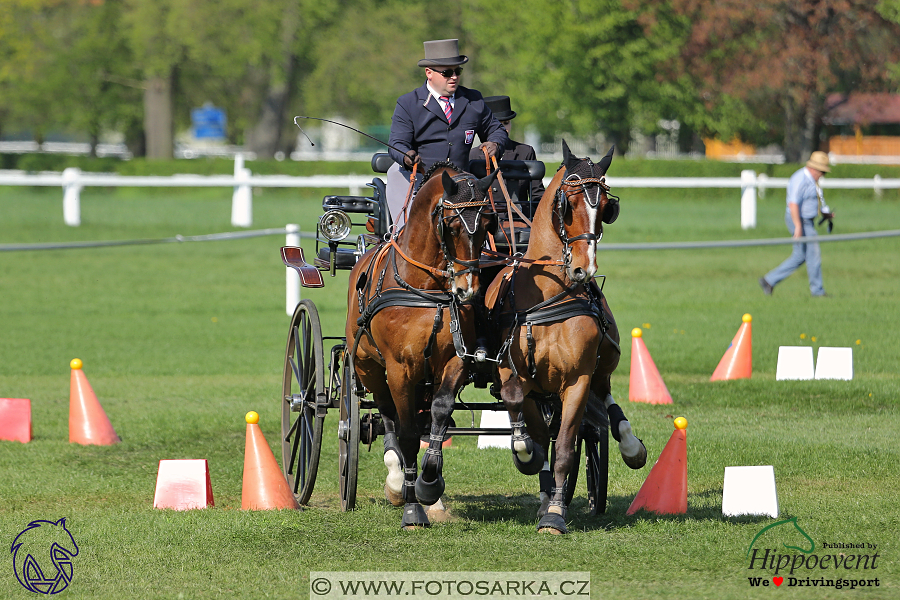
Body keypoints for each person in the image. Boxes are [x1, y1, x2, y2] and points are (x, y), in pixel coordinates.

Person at [385, 39, 508, 228]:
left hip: (460, 183)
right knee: (412, 233)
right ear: (429, 73)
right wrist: (406, 155)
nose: (454, 77)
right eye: (447, 72)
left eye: (457, 71)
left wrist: (496, 143)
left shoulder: (473, 100)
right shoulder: (408, 103)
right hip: (419, 181)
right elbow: (396, 143)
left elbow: (496, 129)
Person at [759, 151, 835, 297]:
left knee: (800, 256)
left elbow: (812, 200)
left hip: (806, 221)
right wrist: (798, 226)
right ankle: (818, 291)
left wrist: (825, 214)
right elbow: (793, 204)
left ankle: (769, 281)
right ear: (814, 168)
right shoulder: (800, 179)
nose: (823, 175)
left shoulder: (811, 180)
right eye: (822, 172)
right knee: (813, 255)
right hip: (800, 220)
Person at [469, 95, 545, 218]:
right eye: (497, 124)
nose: (504, 129)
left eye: (506, 123)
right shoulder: (473, 155)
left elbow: (537, 195)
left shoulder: (525, 151)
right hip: (485, 223)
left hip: (520, 221)